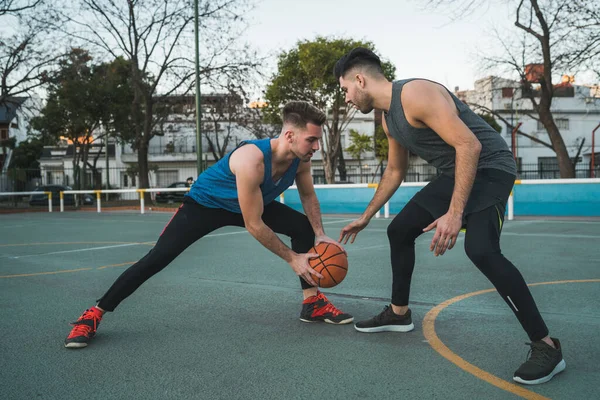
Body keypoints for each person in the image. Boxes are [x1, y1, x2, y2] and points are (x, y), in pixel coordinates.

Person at [333, 48, 565, 385]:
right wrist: (367, 215)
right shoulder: (387, 118)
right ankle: (399, 314)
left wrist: (455, 214)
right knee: (399, 230)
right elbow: (395, 170)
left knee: (482, 250)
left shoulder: (415, 93)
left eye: (345, 90)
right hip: (454, 173)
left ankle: (546, 346)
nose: (347, 98)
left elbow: (470, 146)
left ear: (359, 79)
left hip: (490, 167)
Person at [65, 101, 353, 349]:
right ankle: (94, 314)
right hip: (206, 205)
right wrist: (293, 259)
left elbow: (307, 194)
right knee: (158, 258)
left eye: (317, 141)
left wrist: (320, 235)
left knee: (302, 227)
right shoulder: (251, 159)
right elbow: (254, 224)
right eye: (311, 140)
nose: (317, 146)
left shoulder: (300, 160)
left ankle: (311, 303)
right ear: (290, 135)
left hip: (249, 204)